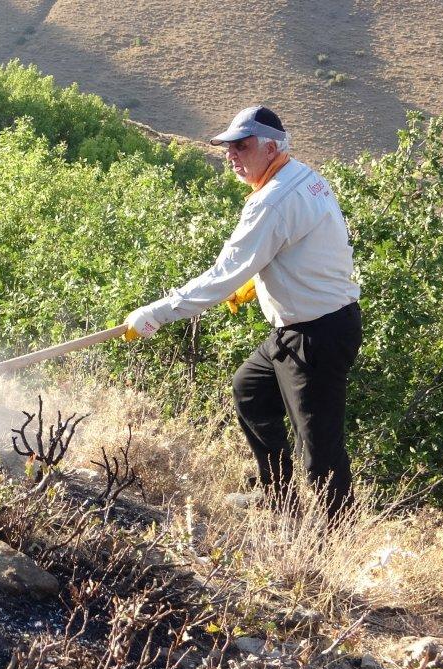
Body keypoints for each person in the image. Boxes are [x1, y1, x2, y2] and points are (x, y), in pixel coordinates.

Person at [122, 105, 362, 520]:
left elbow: (221, 277)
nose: (232, 155)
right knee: (250, 389)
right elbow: (303, 243)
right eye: (227, 148)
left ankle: (335, 535)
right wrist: (262, 277)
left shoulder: (271, 202)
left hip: (314, 335)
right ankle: (276, 495)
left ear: (270, 148)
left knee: (319, 446)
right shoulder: (303, 176)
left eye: (242, 146)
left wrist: (156, 313)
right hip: (310, 325)